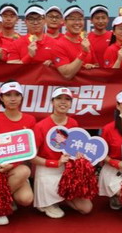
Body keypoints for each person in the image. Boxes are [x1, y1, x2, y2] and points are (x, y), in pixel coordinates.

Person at [33, 87, 92, 218]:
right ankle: (46, 202)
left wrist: (79, 157)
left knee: (86, 208)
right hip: (48, 170)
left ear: (71, 104)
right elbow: (32, 157)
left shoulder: (73, 123)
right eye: (59, 98)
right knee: (58, 213)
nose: (63, 102)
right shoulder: (40, 126)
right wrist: (55, 163)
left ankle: (61, 197)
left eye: (67, 99)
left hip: (68, 171)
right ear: (52, 102)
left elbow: (77, 148)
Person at [0, 81, 36, 225]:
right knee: (23, 171)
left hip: (16, 170)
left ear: (21, 97)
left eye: (17, 95)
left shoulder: (30, 120)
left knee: (26, 198)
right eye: (8, 95)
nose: (13, 99)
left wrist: (12, 165)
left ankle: (0, 199)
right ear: (1, 98)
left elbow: (31, 150)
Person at [52, 5, 98, 79]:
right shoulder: (59, 45)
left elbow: (97, 65)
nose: (77, 22)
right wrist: (83, 53)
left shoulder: (85, 41)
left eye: (80, 19)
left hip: (88, 85)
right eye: (72, 19)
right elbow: (67, 75)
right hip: (69, 86)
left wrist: (92, 67)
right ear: (64, 22)